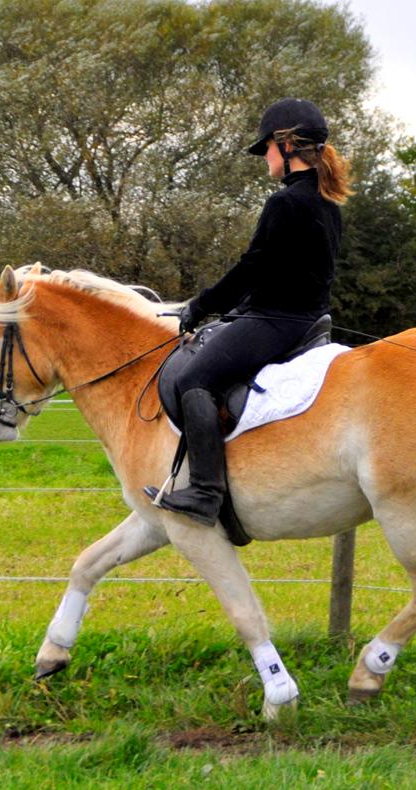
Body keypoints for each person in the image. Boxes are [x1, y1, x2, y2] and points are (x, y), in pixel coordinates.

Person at [150, 98, 354, 526]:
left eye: (266, 149)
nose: (265, 159)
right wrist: (236, 311)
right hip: (304, 319)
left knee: (193, 380)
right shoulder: (327, 204)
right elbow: (279, 275)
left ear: (287, 146)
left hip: (276, 322)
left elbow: (252, 268)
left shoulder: (284, 204)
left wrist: (200, 307)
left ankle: (205, 491)